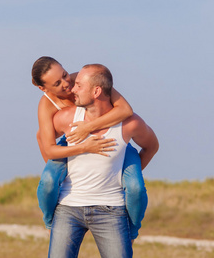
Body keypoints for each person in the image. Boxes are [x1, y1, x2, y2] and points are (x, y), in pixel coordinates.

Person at [32, 57, 148, 241]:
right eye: (57, 83)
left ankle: (132, 231)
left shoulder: (83, 79)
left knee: (135, 187)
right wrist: (65, 170)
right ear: (43, 88)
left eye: (64, 75)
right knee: (47, 182)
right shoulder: (46, 105)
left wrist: (87, 128)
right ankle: (49, 222)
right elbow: (44, 141)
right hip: (72, 142)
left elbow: (125, 109)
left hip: (110, 137)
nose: (67, 84)